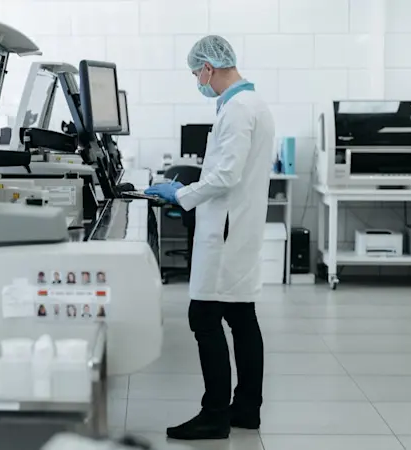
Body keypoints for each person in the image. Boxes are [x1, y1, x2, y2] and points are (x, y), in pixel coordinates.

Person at [146, 35, 274, 441]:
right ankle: (246, 409)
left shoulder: (237, 109)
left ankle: (215, 414)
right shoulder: (253, 104)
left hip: (225, 231)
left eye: (196, 73)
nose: (197, 81)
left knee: (203, 316)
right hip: (238, 226)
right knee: (240, 316)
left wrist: (179, 194)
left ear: (209, 68)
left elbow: (225, 175)